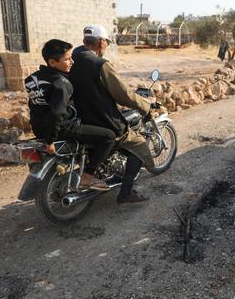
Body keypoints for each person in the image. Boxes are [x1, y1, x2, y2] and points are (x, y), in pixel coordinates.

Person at [69, 24, 159, 203]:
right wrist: (146, 107)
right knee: (139, 145)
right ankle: (126, 194)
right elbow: (123, 94)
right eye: (107, 43)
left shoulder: (69, 59)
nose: (107, 46)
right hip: (100, 119)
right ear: (101, 42)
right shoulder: (100, 64)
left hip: (77, 120)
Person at [24, 39, 116, 191]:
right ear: (52, 62)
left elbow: (36, 106)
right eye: (67, 59)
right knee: (109, 136)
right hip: (61, 129)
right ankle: (87, 176)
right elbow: (57, 113)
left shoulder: (34, 79)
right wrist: (50, 140)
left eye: (71, 57)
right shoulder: (61, 83)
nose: (72, 61)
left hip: (39, 128)